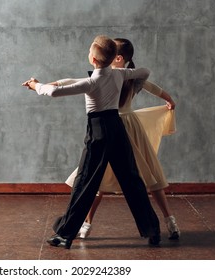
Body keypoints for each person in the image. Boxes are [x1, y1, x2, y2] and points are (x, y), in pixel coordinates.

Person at [22, 35, 161, 249]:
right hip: (117, 129)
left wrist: (35, 84)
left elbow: (53, 92)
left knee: (85, 181)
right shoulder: (119, 74)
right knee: (132, 181)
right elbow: (144, 72)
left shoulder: (92, 82)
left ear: (94, 60)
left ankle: (64, 235)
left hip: (99, 132)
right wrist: (128, 75)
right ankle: (152, 230)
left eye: (90, 51)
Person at [66, 38, 180, 240]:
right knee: (100, 178)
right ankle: (87, 222)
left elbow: (152, 87)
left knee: (147, 175)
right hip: (117, 126)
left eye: (111, 54)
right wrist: (168, 99)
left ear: (118, 58)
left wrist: (169, 100)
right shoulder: (112, 75)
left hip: (122, 128)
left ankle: (170, 221)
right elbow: (75, 82)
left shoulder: (128, 77)